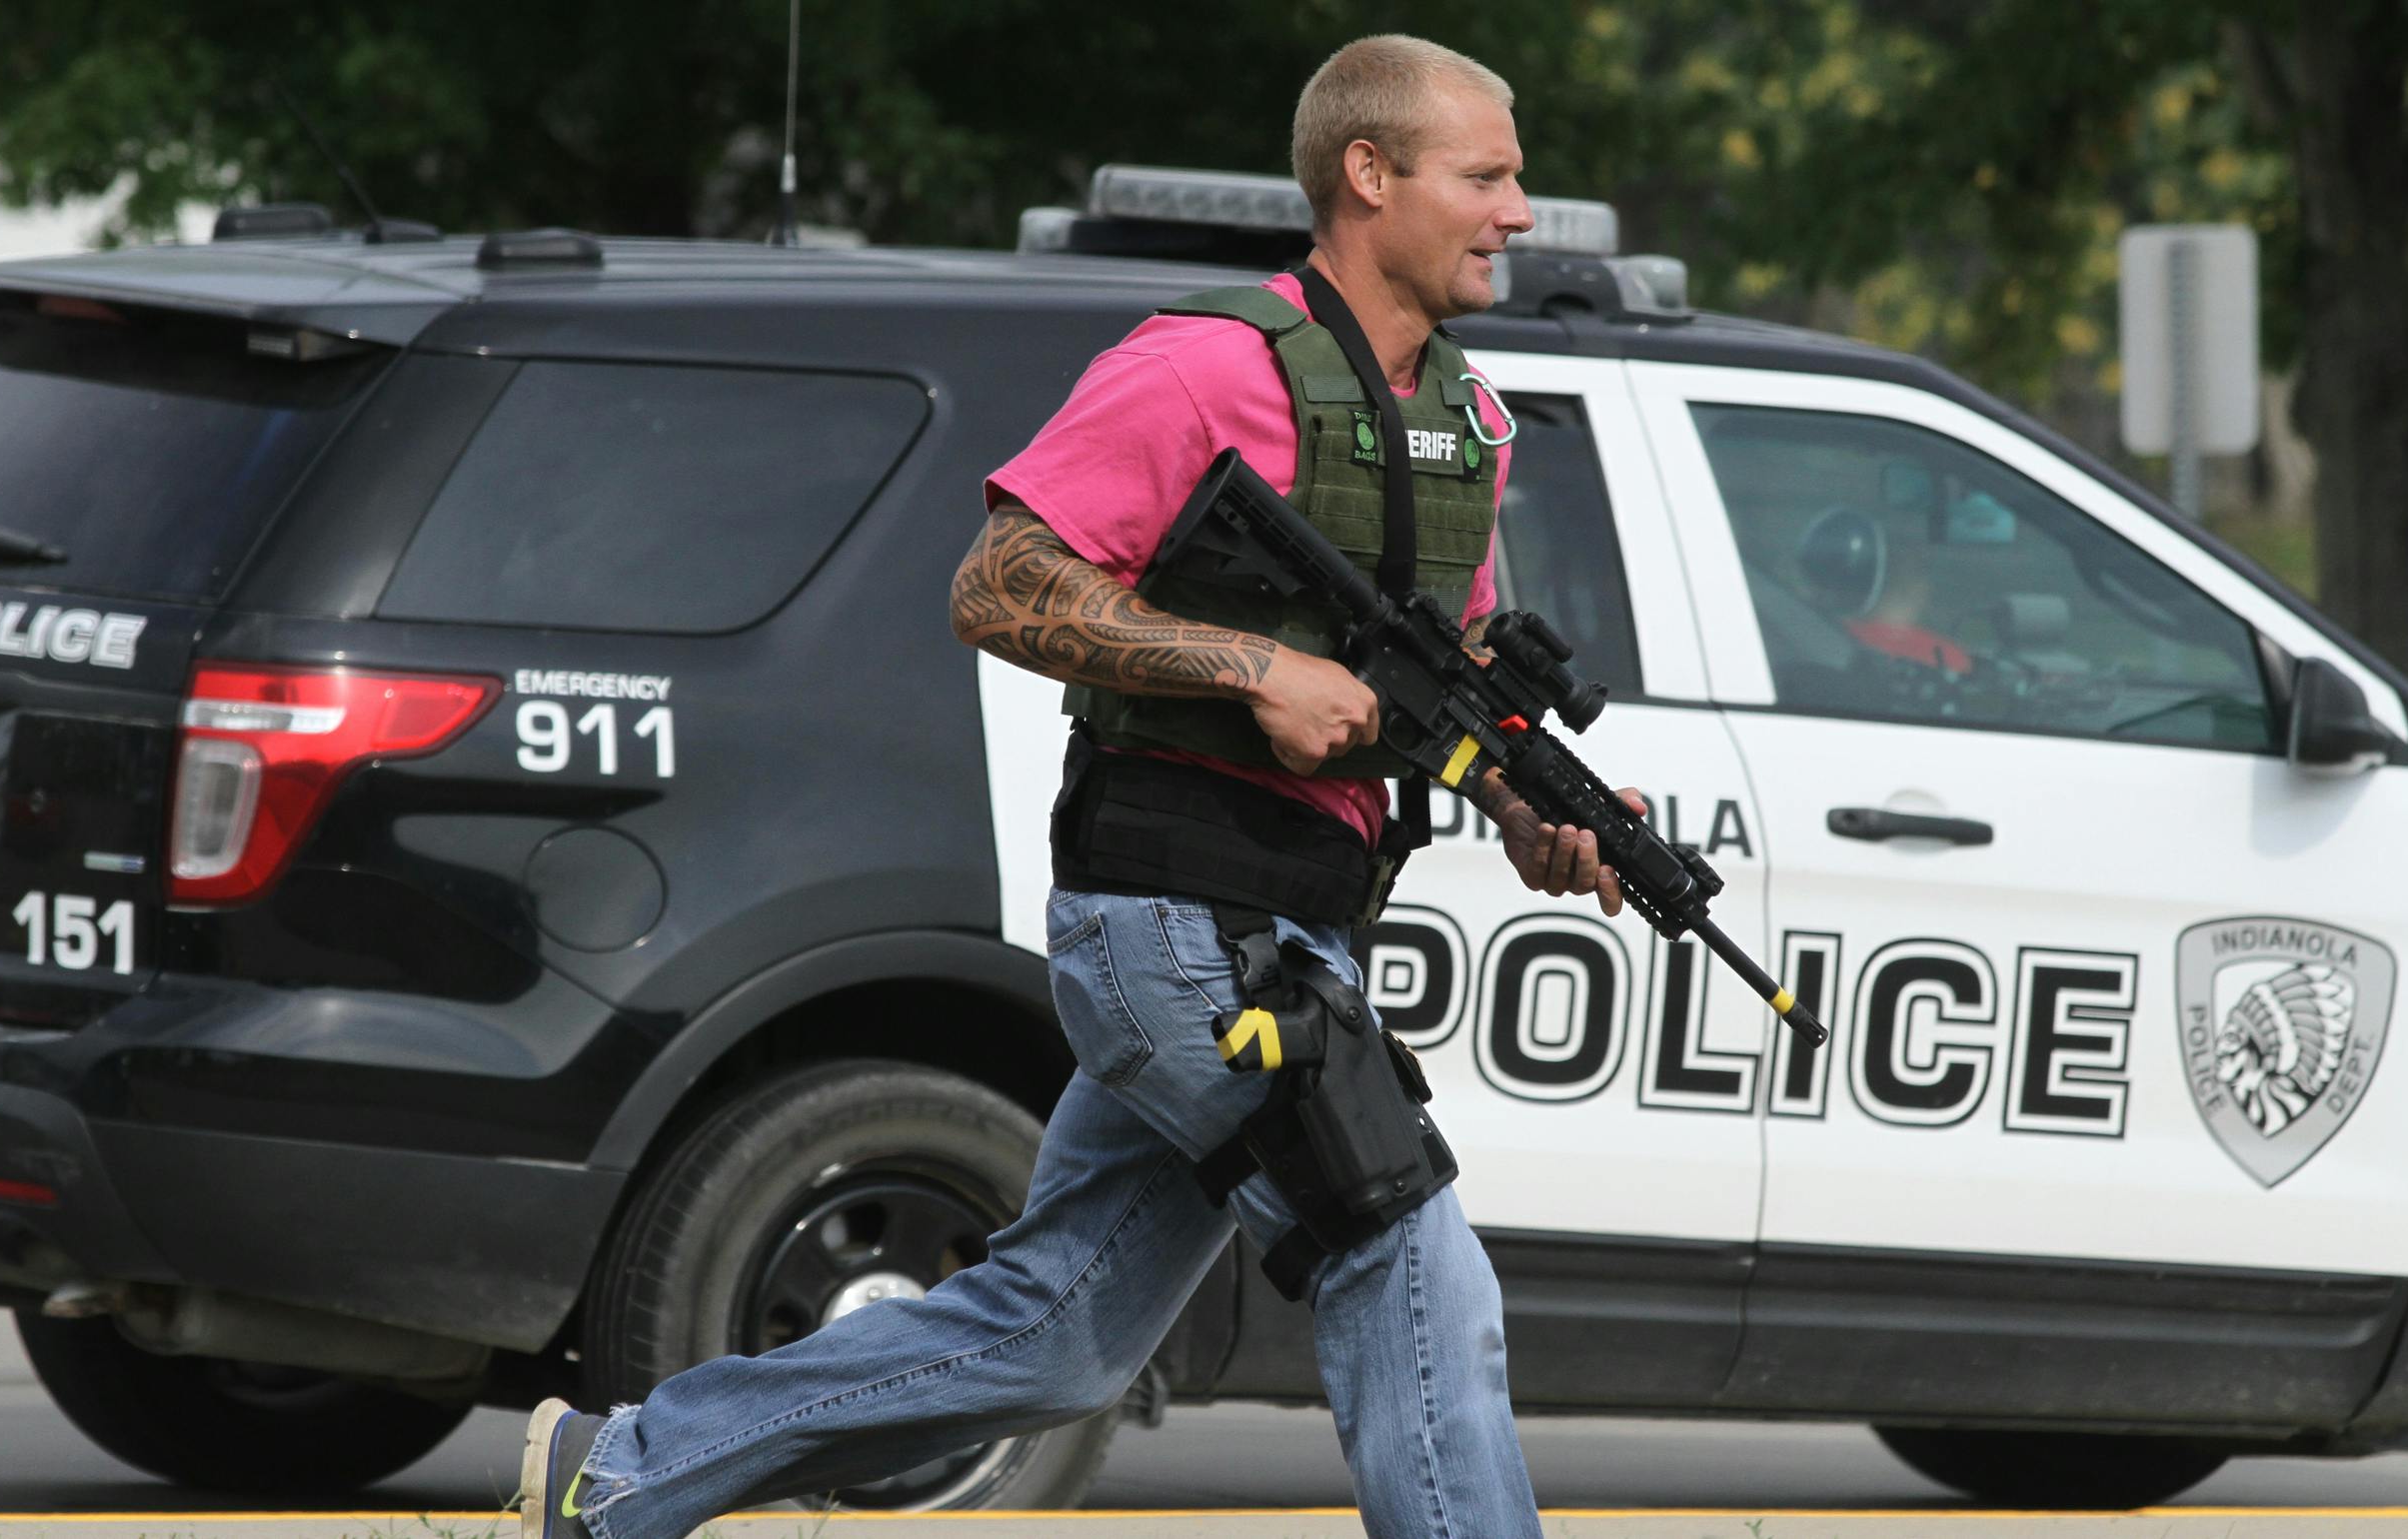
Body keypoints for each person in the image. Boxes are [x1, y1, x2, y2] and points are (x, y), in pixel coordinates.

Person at [517, 34, 1641, 1539]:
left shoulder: (1463, 419)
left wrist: (1526, 810)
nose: (1519, 209)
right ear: (1369, 177)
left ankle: (622, 1471)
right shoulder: (1202, 366)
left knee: (1058, 1336)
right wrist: (1250, 671)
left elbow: (1433, 692)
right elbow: (1000, 584)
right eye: (1486, 175)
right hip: (1178, 922)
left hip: (1298, 931)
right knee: (1395, 1245)